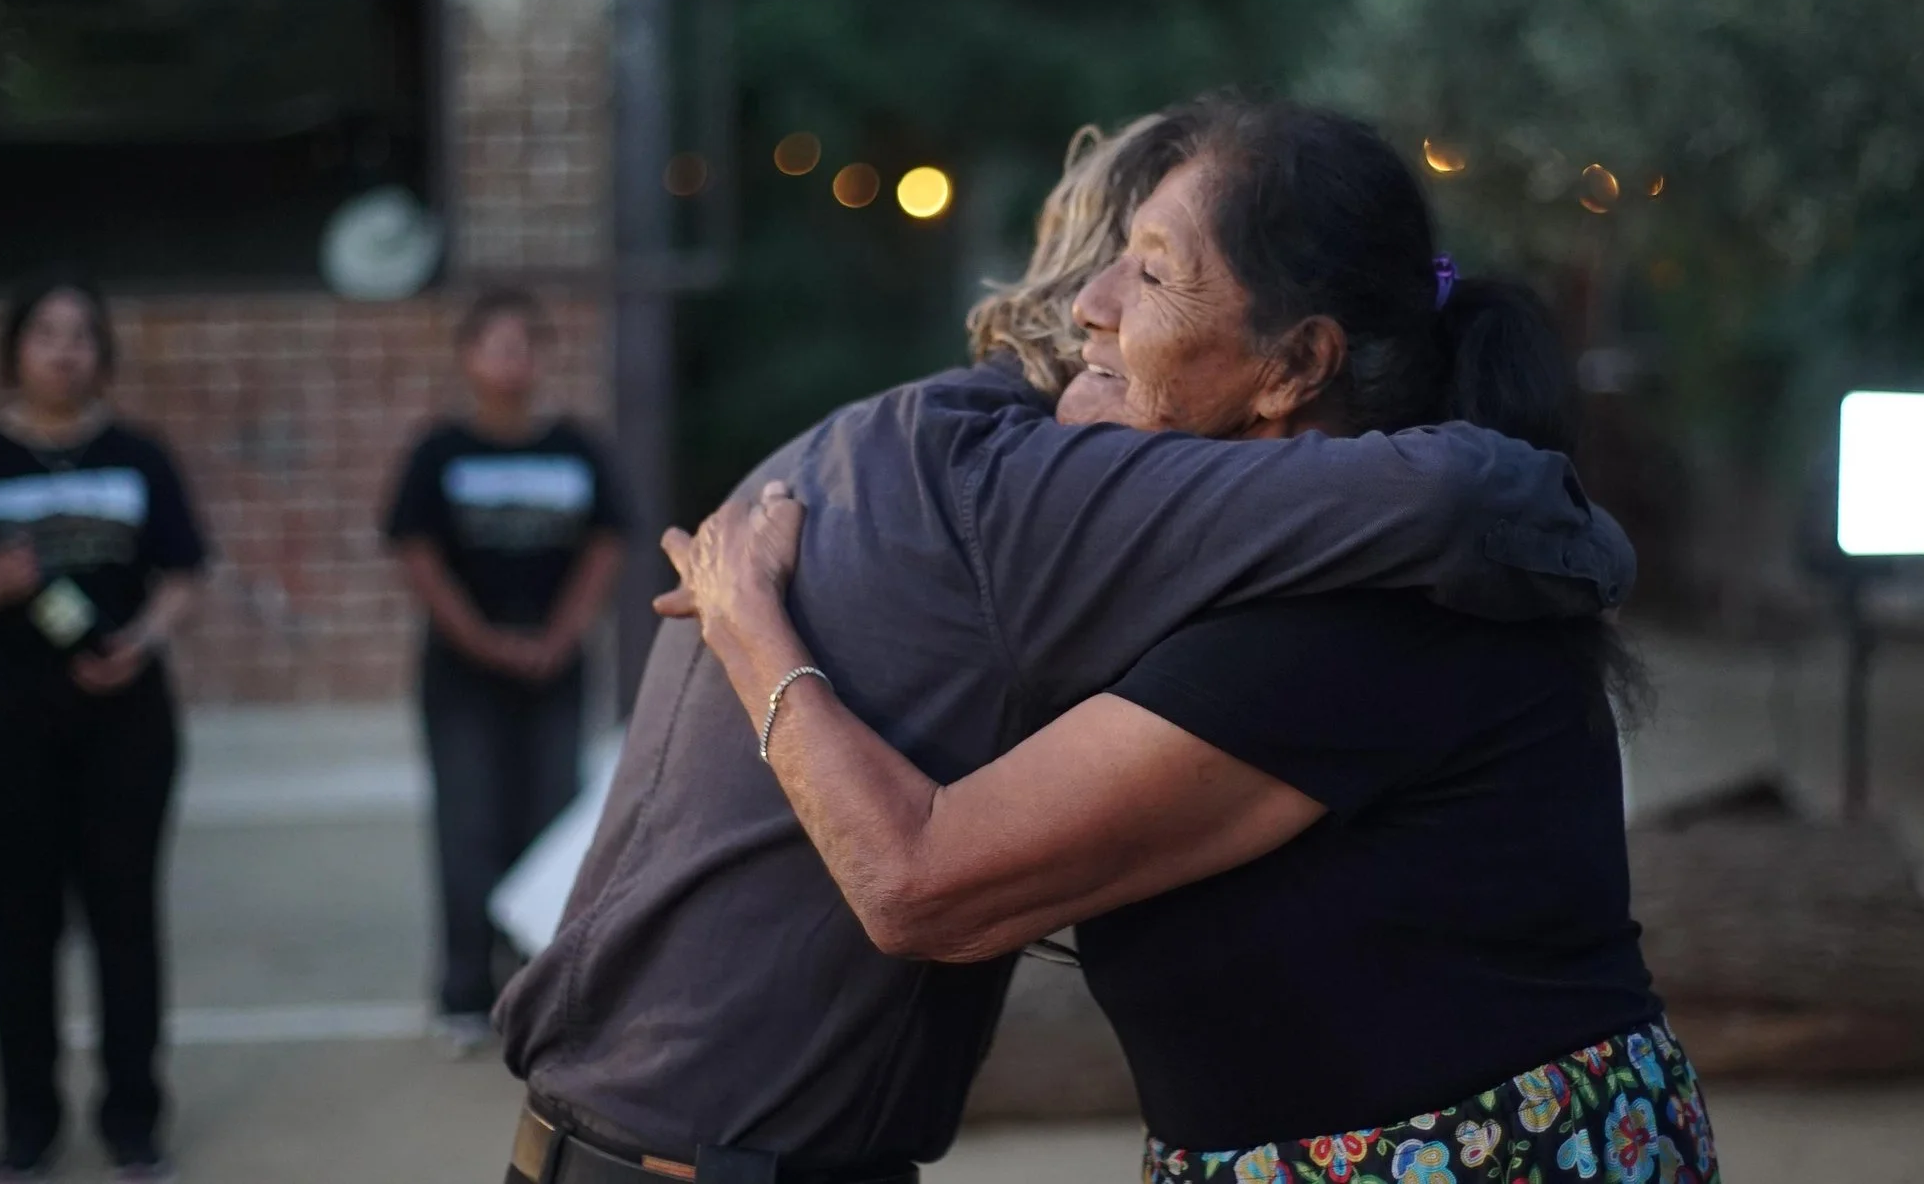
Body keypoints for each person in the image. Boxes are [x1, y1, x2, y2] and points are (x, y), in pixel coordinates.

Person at [494, 111, 1636, 1184]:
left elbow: (919, 884)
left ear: (1292, 364)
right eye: (1110, 255)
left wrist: (752, 629)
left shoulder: (1331, 606)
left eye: (1148, 269)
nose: (1092, 302)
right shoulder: (1025, 482)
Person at [0, 272, 208, 1184]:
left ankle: (132, 1121)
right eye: (46, 333)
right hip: (11, 725)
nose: (64, 349)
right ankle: (29, 1124)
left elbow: (184, 573)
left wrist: (143, 641)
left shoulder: (140, 455)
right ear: (15, 351)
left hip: (127, 723)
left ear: (101, 353)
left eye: (81, 334)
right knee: (23, 926)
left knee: (125, 921)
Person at [386, 288, 628, 1054]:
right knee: (470, 826)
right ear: (468, 358)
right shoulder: (439, 453)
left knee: (551, 824)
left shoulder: (577, 447)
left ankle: (542, 989)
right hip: (463, 676)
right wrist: (483, 640)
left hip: (555, 670)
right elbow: (418, 557)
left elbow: (607, 545)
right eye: (495, 344)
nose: (511, 359)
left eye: (525, 343)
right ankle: (465, 992)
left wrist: (559, 634)